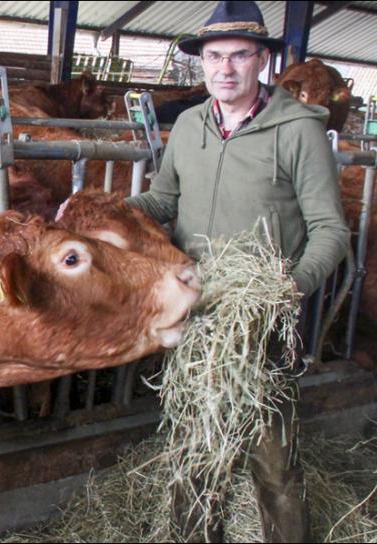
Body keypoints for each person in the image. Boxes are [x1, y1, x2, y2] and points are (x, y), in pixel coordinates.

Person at [125, 1, 350, 542]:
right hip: (196, 314)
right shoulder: (188, 126)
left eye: (239, 56)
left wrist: (288, 288)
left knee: (273, 462)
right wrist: (107, 211)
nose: (225, 69)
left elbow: (331, 231)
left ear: (262, 61)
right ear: (201, 63)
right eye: (214, 56)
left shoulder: (299, 132)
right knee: (194, 451)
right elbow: (163, 199)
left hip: (260, 317)